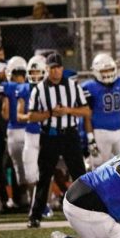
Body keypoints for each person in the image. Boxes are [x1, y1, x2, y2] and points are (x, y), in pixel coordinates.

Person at [25, 53, 91, 228]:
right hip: (50, 135)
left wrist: (68, 110)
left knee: (79, 174)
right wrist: (50, 113)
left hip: (70, 134)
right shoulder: (39, 89)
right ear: (46, 69)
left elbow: (86, 111)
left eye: (58, 67)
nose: (56, 71)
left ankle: (88, 211)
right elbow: (31, 116)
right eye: (52, 68)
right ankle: (35, 214)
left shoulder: (73, 86)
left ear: (62, 68)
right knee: (44, 176)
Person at [83, 54, 120, 169]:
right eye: (104, 70)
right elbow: (87, 115)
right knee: (99, 167)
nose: (107, 72)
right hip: (101, 132)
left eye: (110, 69)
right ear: (96, 71)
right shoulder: (89, 87)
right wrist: (90, 138)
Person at [1, 57, 31, 207]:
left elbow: (5, 114)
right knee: (33, 165)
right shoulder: (30, 86)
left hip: (13, 130)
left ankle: (18, 198)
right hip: (30, 130)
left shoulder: (7, 87)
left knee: (17, 168)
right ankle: (36, 199)